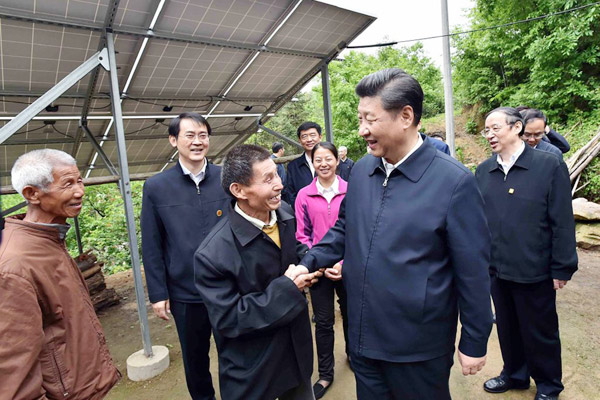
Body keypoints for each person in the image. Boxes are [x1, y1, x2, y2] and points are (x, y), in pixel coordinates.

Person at [295, 68, 493, 399]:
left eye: (369, 120)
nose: (361, 130)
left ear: (405, 116)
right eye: (360, 119)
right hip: (363, 338)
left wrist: (474, 339)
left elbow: (473, 271)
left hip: (418, 347)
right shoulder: (361, 170)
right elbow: (345, 228)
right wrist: (309, 261)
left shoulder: (453, 182)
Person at [194, 144, 321, 400]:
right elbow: (229, 319)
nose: (279, 185)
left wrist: (310, 263)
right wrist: (288, 287)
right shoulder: (212, 254)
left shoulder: (283, 213)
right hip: (253, 369)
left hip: (296, 355)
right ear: (238, 190)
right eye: (268, 179)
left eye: (277, 174)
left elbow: (294, 250)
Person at [0, 149, 121, 400]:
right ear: (32, 194)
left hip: (83, 388)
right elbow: (15, 375)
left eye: (79, 181)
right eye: (67, 184)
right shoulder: (15, 267)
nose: (80, 191)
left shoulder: (49, 240)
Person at [476, 107, 578, 400]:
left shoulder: (548, 165)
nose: (489, 134)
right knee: (507, 327)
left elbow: (562, 219)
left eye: (495, 128)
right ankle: (515, 374)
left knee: (540, 331)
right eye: (486, 130)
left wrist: (562, 266)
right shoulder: (484, 171)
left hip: (534, 268)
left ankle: (548, 385)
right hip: (497, 268)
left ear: (516, 127)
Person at [141, 112, 229, 400]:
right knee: (195, 360)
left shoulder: (225, 178)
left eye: (203, 135)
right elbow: (152, 244)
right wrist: (158, 293)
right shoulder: (156, 187)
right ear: (173, 140)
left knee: (236, 352)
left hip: (228, 287)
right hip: (185, 292)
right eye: (189, 135)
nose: (197, 141)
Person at [295, 142, 349, 399]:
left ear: (337, 160)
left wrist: (343, 262)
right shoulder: (304, 195)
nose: (324, 163)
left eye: (328, 158)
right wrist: (315, 262)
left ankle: (354, 356)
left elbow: (357, 230)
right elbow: (301, 235)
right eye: (318, 159)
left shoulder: (352, 191)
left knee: (352, 315)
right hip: (318, 271)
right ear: (312, 163)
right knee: (323, 322)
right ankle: (326, 373)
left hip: (347, 266)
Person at [284, 121, 322, 206]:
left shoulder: (332, 163)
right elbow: (291, 194)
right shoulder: (293, 167)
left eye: (312, 135)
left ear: (320, 137)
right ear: (300, 141)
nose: (309, 140)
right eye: (304, 136)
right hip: (304, 215)